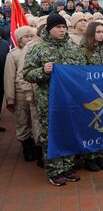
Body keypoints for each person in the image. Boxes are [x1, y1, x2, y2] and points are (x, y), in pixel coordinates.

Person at [23, 14, 85, 186]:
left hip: (70, 99)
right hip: (49, 100)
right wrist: (43, 70)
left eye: (64, 27)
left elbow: (82, 71)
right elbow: (27, 73)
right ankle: (55, 170)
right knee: (51, 134)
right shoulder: (38, 49)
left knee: (69, 131)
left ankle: (67, 166)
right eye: (58, 27)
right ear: (49, 29)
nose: (62, 30)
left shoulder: (73, 48)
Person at [80, 22, 103, 171]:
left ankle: (102, 154)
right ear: (91, 33)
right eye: (98, 32)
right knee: (90, 126)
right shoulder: (83, 51)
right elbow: (79, 73)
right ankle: (90, 157)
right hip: (91, 94)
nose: (101, 34)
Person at [4, 26, 37, 160]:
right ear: (19, 39)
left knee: (35, 120)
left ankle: (36, 145)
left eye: (31, 36)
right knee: (23, 120)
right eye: (26, 37)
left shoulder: (36, 50)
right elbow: (9, 77)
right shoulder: (13, 55)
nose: (29, 39)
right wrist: (10, 98)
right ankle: (26, 147)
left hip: (34, 91)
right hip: (20, 93)